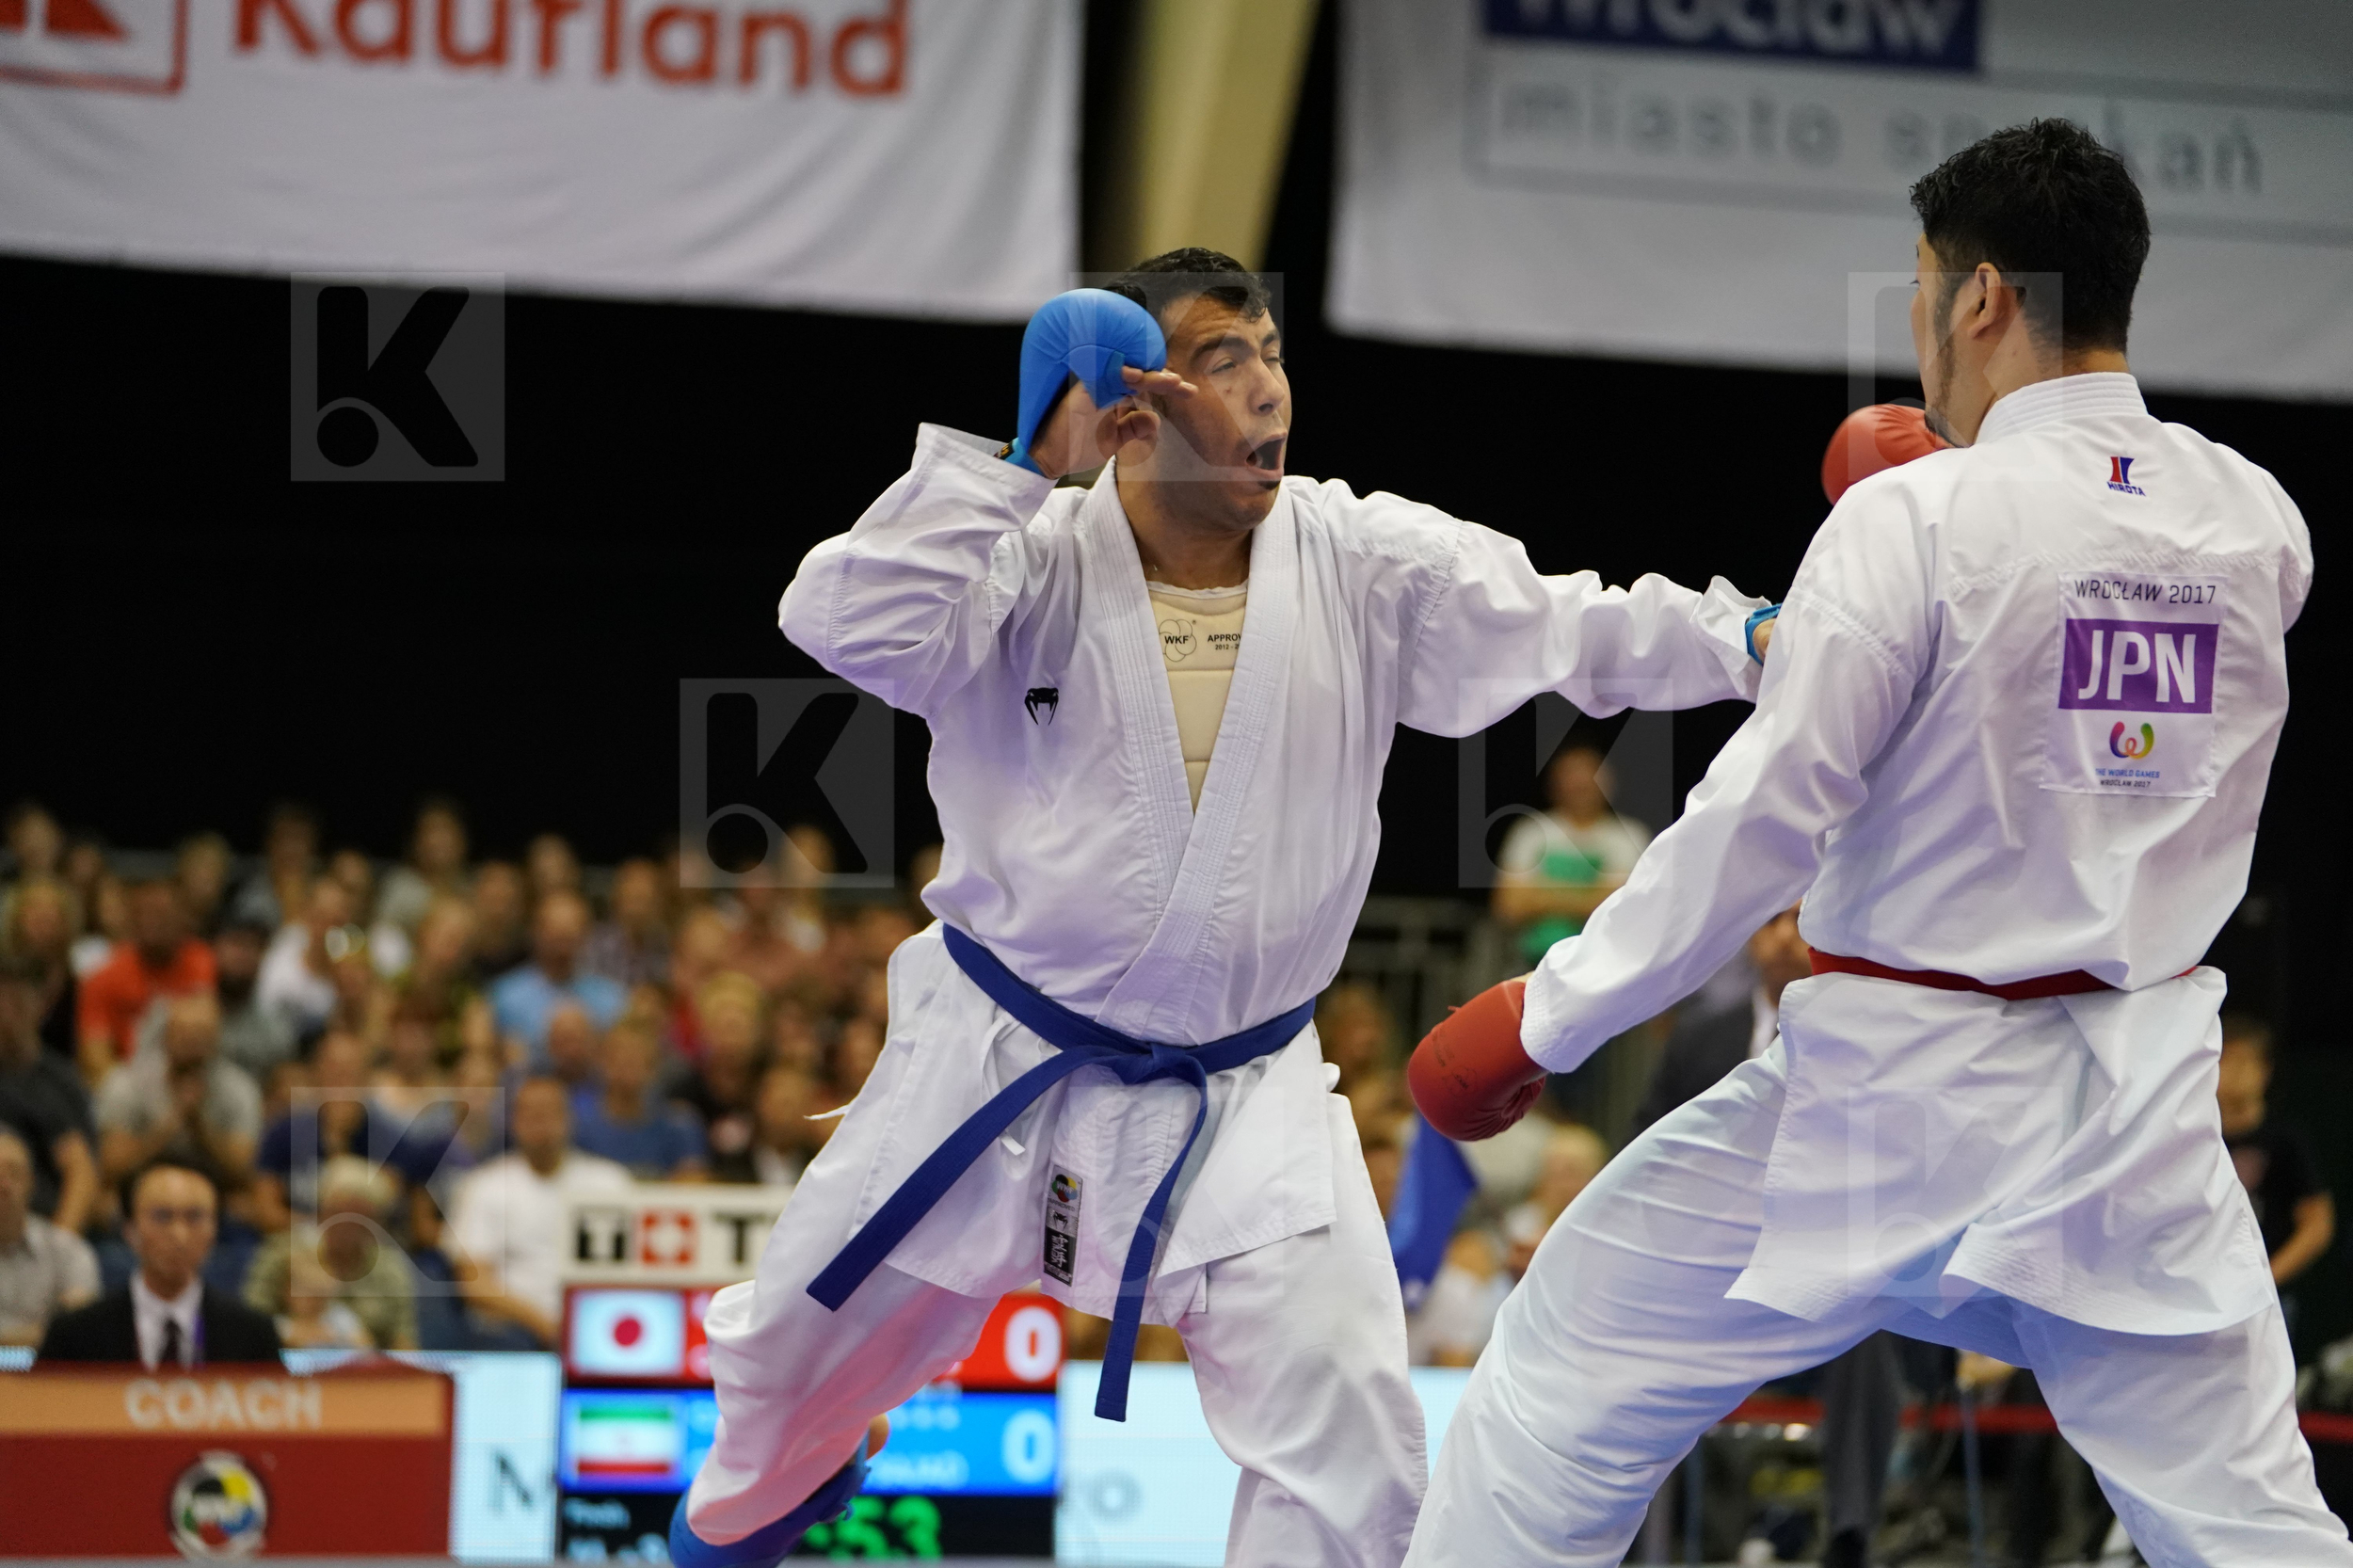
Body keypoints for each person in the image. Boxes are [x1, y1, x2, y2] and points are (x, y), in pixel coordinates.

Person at [676, 248, 1774, 1568]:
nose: (1269, 393)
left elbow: (1573, 628)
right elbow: (842, 619)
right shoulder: (1024, 556)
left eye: (1272, 355)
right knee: (779, 1379)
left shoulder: (1356, 557)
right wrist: (1022, 460)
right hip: (989, 1066)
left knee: (1358, 1464)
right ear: (1131, 410)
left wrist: (1752, 639)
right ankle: (753, 1509)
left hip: (1246, 1095)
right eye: (1221, 361)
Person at [1401, 120, 2346, 1566]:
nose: (1918, 330)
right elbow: (2089, 702)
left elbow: (1760, 814)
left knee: (1562, 1380)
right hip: (2132, 1117)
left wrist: (1548, 1010)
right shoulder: (2257, 521)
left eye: (1921, 291)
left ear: (1980, 297)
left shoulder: (1914, 519)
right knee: (2255, 1525)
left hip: (1882, 1101)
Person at [446, 1075, 630, 1348]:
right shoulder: (485, 1186)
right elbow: (474, 1284)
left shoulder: (611, 1183)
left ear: (569, 1119)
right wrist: (544, 1325)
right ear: (514, 1122)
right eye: (531, 1114)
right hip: (514, 1329)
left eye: (550, 1113)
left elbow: (636, 1271)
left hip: (601, 1322)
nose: (541, 1123)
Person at [40, 1158, 281, 1365]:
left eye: (195, 1217)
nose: (179, 1235)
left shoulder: (253, 1336)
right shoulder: (75, 1336)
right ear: (129, 1229)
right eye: (162, 1216)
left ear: (215, 1230)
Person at [95, 994, 263, 1212]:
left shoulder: (238, 1090)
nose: (192, 1044)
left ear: (217, 1040)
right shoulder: (127, 1083)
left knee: (245, 1207)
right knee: (105, 1204)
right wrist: (170, 1125)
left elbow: (244, 1172)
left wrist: (199, 1127)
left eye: (201, 1035)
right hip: (138, 1196)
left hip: (214, 1199)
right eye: (183, 1032)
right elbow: (112, 1166)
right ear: (165, 1036)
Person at [1492, 744, 1652, 968]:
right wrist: (1589, 896)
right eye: (1571, 776)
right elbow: (1509, 906)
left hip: (1605, 961)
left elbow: (1620, 907)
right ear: (1553, 784)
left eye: (1589, 777)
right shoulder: (1530, 832)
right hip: (1531, 960)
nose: (1580, 785)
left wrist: (1541, 894)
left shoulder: (1629, 836)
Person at [243, 1156, 420, 1352]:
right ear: (323, 1212)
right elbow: (251, 1321)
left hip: (366, 1371)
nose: (348, 1226)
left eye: (361, 1217)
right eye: (340, 1213)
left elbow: (403, 1340)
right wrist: (291, 1333)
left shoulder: (390, 1268)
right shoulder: (281, 1252)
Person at [2217, 1014, 2334, 1304]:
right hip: (2203, 1297)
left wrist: (2267, 1280)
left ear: (2264, 1070)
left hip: (2270, 1302)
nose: (2234, 1072)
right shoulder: (2193, 1141)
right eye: (2225, 1060)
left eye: (2245, 1061)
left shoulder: (2285, 1141)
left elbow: (2317, 1223)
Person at [75, 878, 216, 1082]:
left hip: (194, 1080)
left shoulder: (203, 962)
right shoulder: (101, 977)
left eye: (161, 914)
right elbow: (96, 1058)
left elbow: (208, 1038)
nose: (151, 922)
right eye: (143, 914)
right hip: (129, 1085)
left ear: (183, 917)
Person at [0, 953, 97, 1236]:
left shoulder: (60, 1083)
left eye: (16, 1001)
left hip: (40, 1229)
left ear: (41, 1004)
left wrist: (55, 1249)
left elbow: (81, 1174)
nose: (5, 1013)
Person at [489, 890, 627, 1064]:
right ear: (535, 931)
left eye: (571, 930)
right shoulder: (505, 996)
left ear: (586, 935)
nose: (563, 938)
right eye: (555, 930)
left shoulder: (610, 999)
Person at [571, 1017, 709, 1180]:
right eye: (619, 1059)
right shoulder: (579, 1127)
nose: (628, 1068)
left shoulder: (679, 1126)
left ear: (653, 1068)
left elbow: (694, 1188)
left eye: (637, 1060)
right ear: (602, 1063)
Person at [0, 1126, 99, 1346]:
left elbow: (79, 1331)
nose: (4, 1185)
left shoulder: (68, 1251)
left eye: (14, 1173)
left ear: (32, 1183)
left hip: (47, 1374)